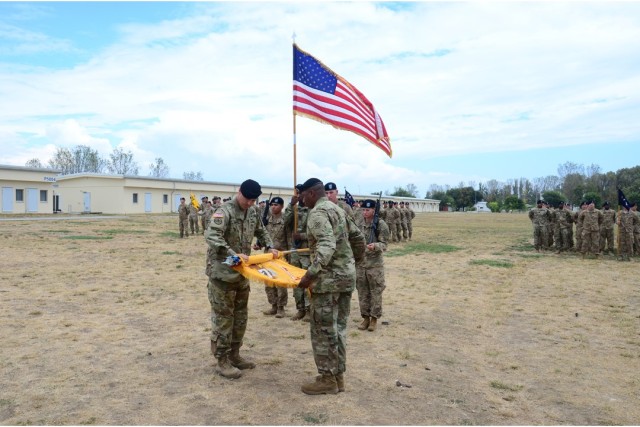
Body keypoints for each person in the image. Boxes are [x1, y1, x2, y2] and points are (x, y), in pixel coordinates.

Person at [205, 179, 277, 379]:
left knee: (240, 317)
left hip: (243, 273)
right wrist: (233, 254)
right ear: (239, 192)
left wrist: (269, 245)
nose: (249, 203)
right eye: (247, 199)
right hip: (222, 272)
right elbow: (212, 237)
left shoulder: (253, 211)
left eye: (253, 200)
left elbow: (261, 231)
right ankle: (222, 360)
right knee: (224, 318)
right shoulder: (223, 211)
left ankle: (235, 354)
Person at [297, 178, 363, 395]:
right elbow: (358, 237)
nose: (301, 199)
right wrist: (354, 263)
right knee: (339, 329)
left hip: (327, 283)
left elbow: (327, 245)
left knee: (323, 331)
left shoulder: (317, 213)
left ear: (312, 194)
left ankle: (327, 379)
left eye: (303, 195)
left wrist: (310, 274)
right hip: (345, 278)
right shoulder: (337, 210)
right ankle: (338, 377)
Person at [356, 199, 389, 332]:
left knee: (375, 292)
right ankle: (365, 318)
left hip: (375, 265)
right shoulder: (359, 224)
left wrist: (375, 246)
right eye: (363, 210)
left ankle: (374, 319)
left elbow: (385, 244)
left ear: (374, 210)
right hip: (361, 264)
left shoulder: (381, 225)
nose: (365, 212)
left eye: (368, 210)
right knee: (362, 292)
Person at [284, 185, 311, 321]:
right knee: (296, 282)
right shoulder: (294, 209)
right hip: (294, 251)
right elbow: (284, 221)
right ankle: (300, 308)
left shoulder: (312, 209)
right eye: (297, 193)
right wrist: (291, 205)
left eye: (301, 193)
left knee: (307, 281)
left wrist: (302, 236)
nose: (299, 196)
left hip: (307, 251)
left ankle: (308, 309)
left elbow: (315, 233)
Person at [261, 196, 290, 318]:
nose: (273, 207)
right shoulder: (267, 219)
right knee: (269, 281)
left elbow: (289, 238)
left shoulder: (285, 220)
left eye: (276, 205)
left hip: (281, 255)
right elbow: (264, 236)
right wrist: (259, 244)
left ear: (282, 206)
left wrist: (289, 256)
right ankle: (273, 305)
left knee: (280, 282)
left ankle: (281, 307)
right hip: (268, 255)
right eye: (272, 205)